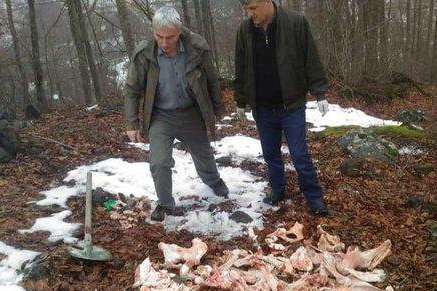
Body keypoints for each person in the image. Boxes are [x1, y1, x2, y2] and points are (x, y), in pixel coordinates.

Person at [124, 6, 228, 221]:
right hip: (160, 116)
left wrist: (217, 107)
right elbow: (132, 89)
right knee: (159, 162)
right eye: (159, 36)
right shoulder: (145, 53)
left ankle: (213, 181)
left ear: (179, 32)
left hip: (191, 112)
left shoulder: (197, 47)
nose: (164, 43)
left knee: (203, 154)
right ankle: (165, 203)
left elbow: (211, 79)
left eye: (170, 37)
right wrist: (131, 122)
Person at [234, 0, 330, 216]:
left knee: (299, 154)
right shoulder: (245, 30)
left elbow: (310, 58)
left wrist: (319, 92)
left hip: (292, 105)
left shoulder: (295, 22)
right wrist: (240, 100)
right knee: (270, 154)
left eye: (253, 8)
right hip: (263, 108)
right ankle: (278, 190)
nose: (250, 14)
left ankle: (314, 197)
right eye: (247, 9)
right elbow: (240, 67)